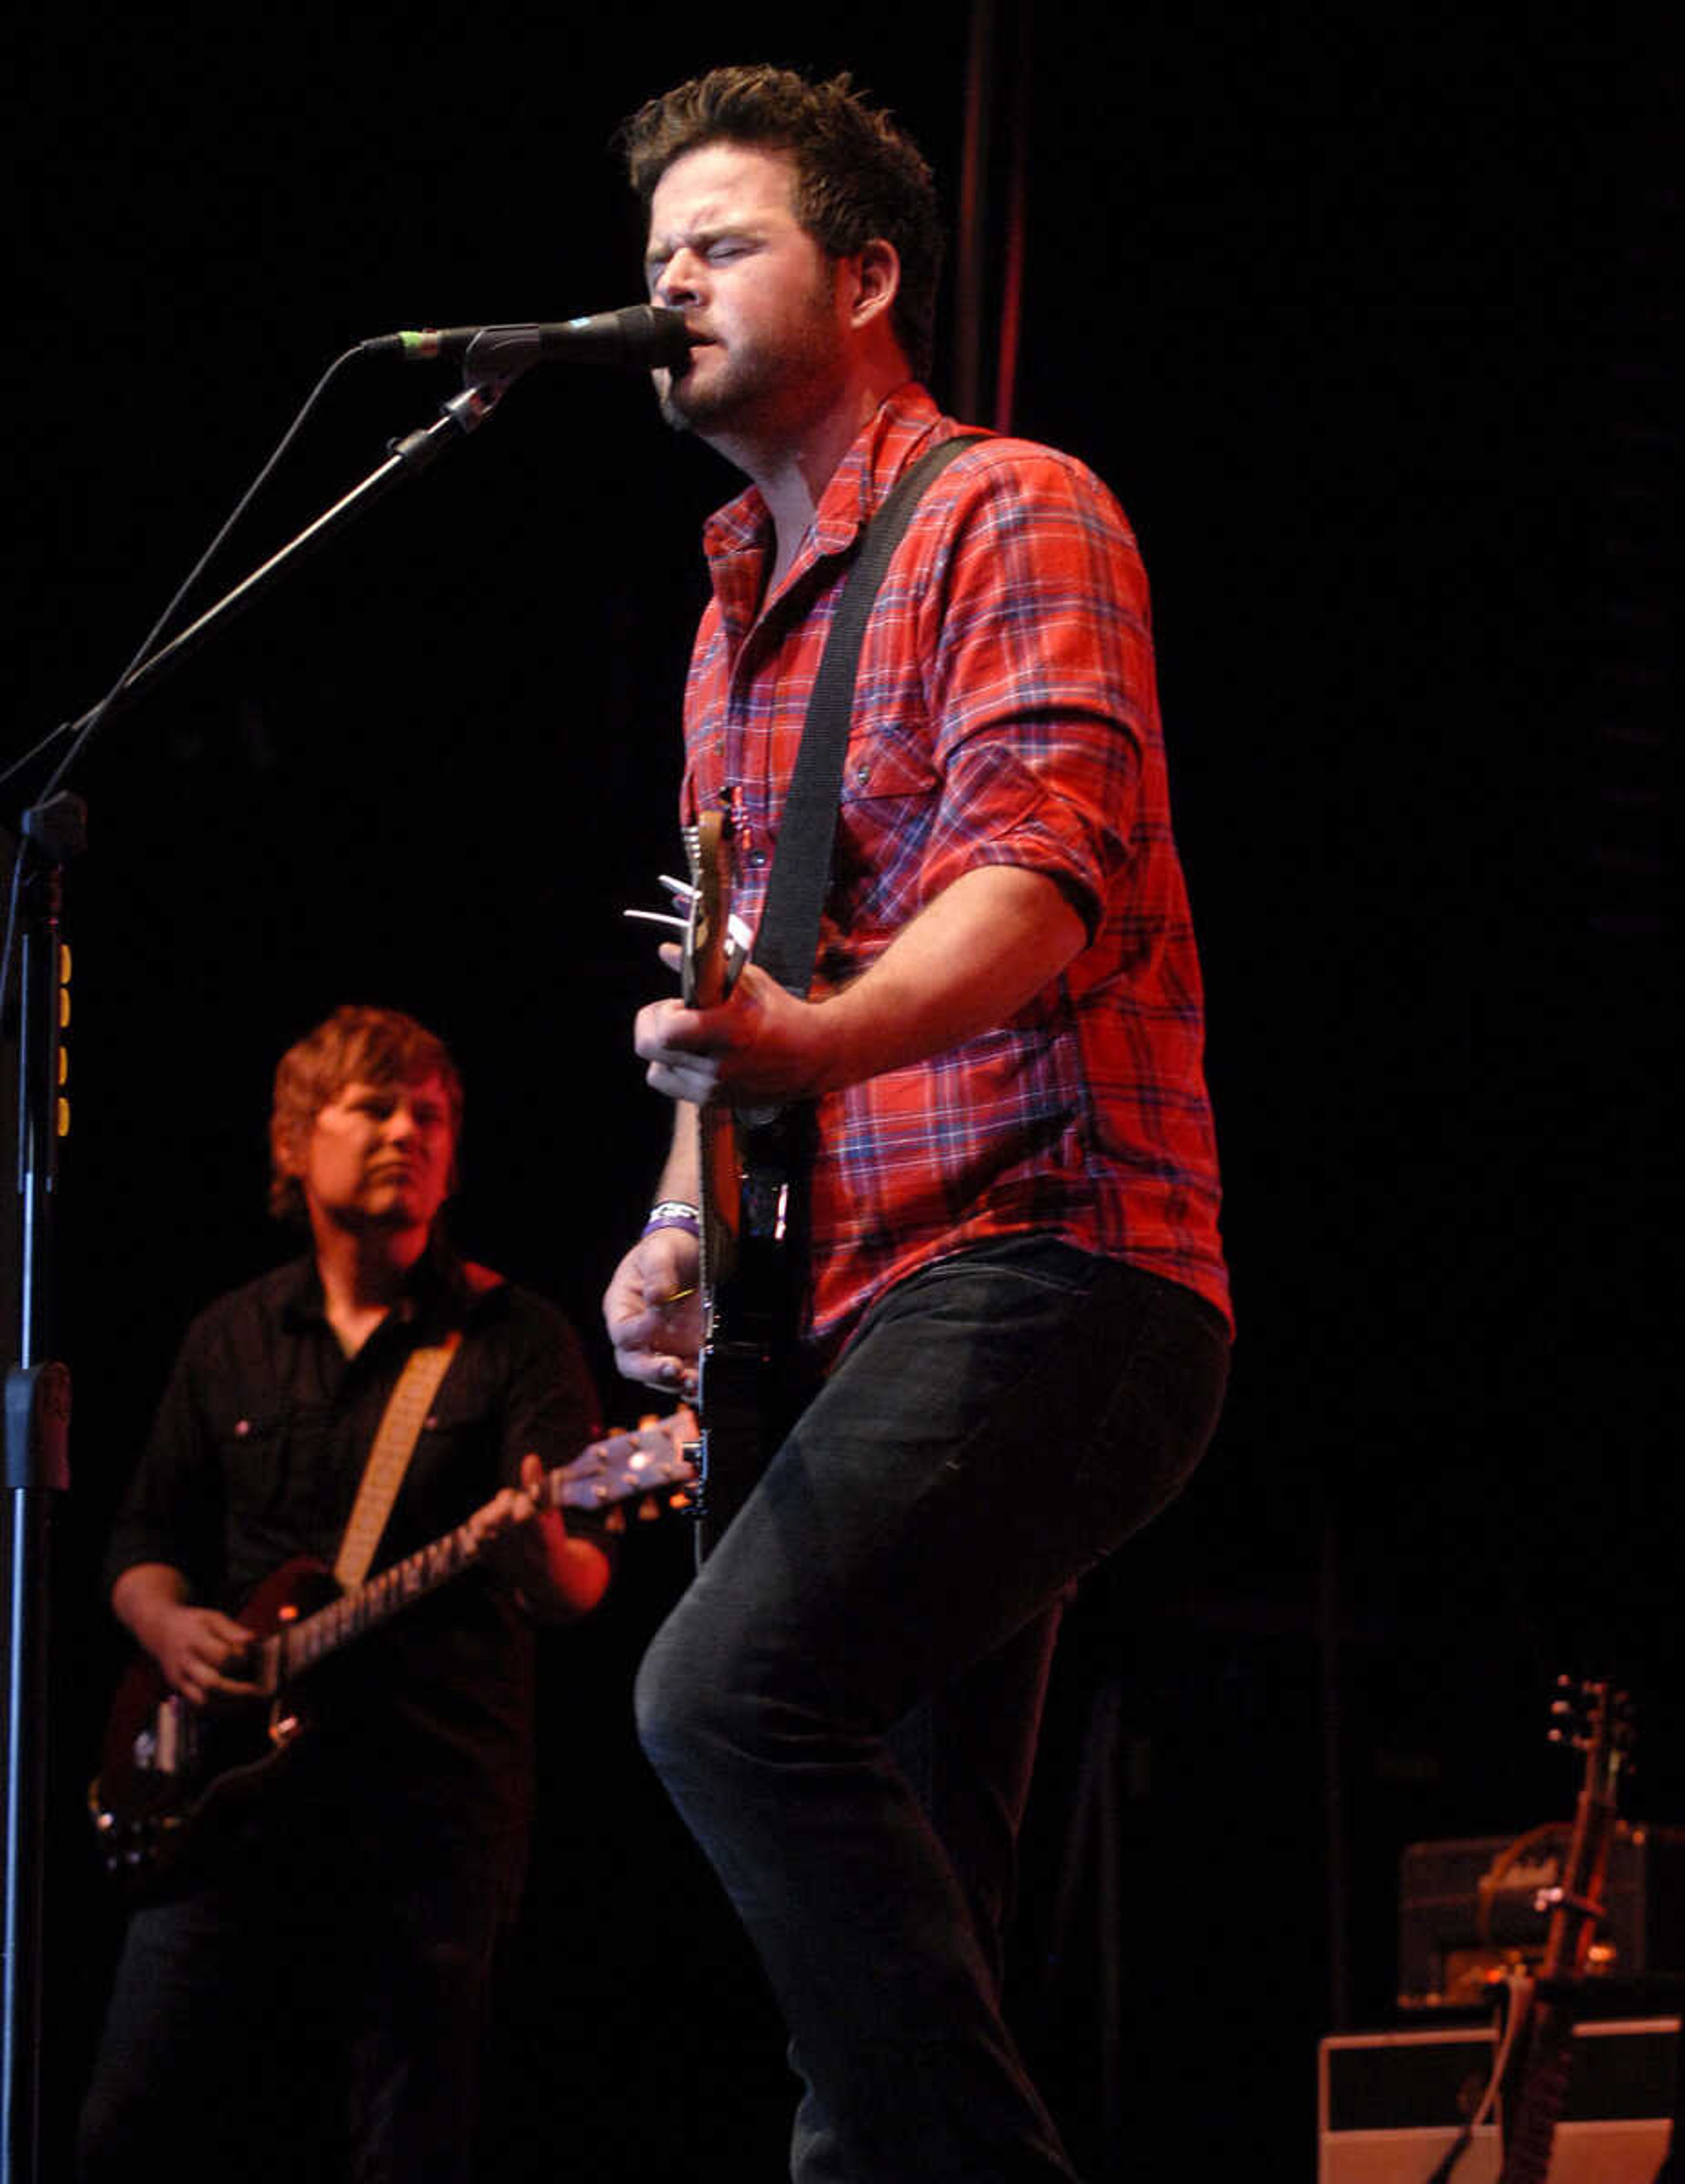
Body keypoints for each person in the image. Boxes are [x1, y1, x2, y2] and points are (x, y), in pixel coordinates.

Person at [601, 64, 1233, 2184]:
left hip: (1054, 1262)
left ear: (869, 273)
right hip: (853, 1310)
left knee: (718, 1701)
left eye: (725, 241)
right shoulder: (722, 632)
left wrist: (817, 1039)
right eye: (656, 252)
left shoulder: (1009, 507)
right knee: (888, 1970)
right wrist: (678, 1216)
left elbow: (1043, 874)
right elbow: (739, 1000)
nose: (670, 279)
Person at [78, 1004, 610, 2184]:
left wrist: (539, 1551)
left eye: (429, 1115)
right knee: (129, 2136)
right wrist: (169, 1623)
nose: (404, 1132)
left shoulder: (514, 1338)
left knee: (405, 2150)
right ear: (291, 1142)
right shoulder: (229, 1338)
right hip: (222, 1804)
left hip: (430, 1816)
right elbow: (140, 1542)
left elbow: (579, 1581)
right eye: (373, 1108)